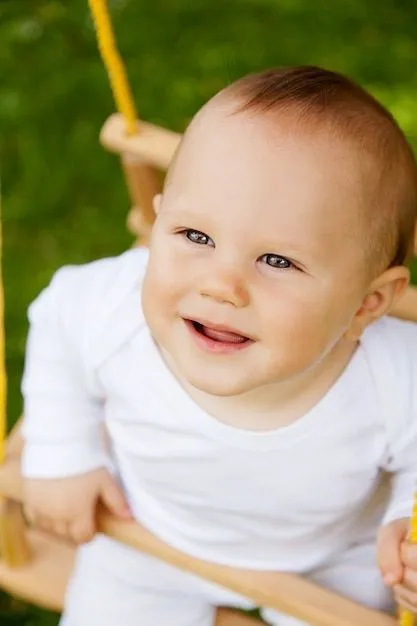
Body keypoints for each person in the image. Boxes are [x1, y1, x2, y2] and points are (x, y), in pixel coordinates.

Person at [21, 66, 417, 625]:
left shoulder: (395, 375)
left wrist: (408, 515)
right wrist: (63, 454)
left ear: (366, 305)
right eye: (195, 237)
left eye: (277, 261)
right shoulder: (112, 309)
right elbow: (57, 320)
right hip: (149, 535)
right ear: (159, 226)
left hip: (330, 560)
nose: (220, 286)